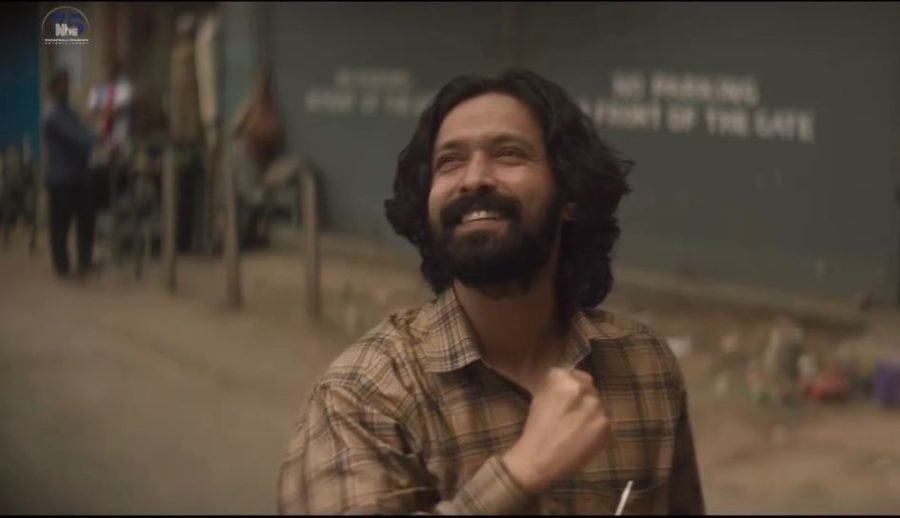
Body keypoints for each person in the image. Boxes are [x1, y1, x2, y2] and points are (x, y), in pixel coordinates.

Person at [277, 69, 705, 515]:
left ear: (570, 195)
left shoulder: (645, 366)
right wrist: (521, 472)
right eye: (450, 161)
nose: (474, 178)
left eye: (508, 153)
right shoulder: (363, 392)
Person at [43, 68, 101, 277]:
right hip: (61, 179)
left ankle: (85, 261)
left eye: (68, 83)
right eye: (63, 84)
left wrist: (97, 135)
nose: (66, 87)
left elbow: (83, 130)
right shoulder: (53, 114)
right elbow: (76, 136)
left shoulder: (69, 111)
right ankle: (62, 267)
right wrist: (100, 140)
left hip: (78, 176)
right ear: (54, 87)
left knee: (87, 219)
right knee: (61, 226)